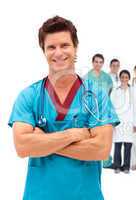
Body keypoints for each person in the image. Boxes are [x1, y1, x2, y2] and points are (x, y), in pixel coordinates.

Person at [8, 16, 119, 200]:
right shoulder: (29, 96)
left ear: (75, 47)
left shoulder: (96, 96)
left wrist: (43, 142)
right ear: (43, 51)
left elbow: (101, 149)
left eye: (65, 45)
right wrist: (73, 135)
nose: (58, 52)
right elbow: (22, 146)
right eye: (51, 47)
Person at [110, 70, 135, 174]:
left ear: (129, 78)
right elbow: (111, 106)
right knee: (118, 144)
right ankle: (117, 166)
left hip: (129, 121)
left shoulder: (132, 90)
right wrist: (112, 121)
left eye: (126, 77)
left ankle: (126, 167)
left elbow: (135, 107)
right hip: (118, 121)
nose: (124, 79)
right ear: (120, 78)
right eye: (122, 77)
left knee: (128, 145)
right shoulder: (115, 90)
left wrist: (135, 123)